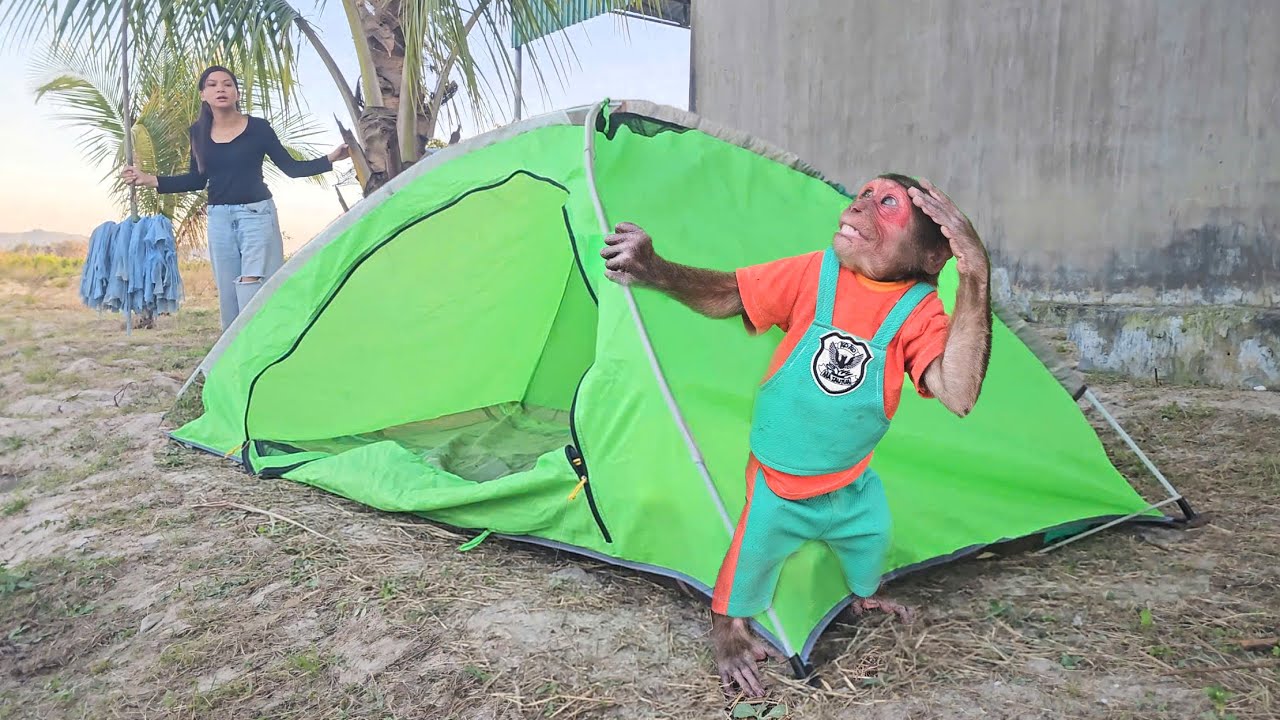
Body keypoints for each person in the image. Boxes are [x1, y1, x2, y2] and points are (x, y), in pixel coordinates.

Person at [600, 174, 992, 697]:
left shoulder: (919, 308)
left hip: (851, 481)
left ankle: (859, 594)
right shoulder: (816, 273)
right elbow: (730, 294)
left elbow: (959, 391)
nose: (860, 206)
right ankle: (729, 630)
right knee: (749, 563)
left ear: (930, 257)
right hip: (779, 479)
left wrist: (975, 276)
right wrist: (656, 270)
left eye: (887, 204)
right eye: (864, 196)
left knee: (872, 540)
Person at [121, 65, 349, 330]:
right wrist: (149, 179)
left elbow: (292, 168)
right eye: (213, 85)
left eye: (228, 84)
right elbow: (197, 179)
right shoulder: (197, 133)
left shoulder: (259, 129)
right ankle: (234, 355)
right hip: (219, 218)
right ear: (203, 94)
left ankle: (263, 345)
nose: (221, 89)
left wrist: (331, 158)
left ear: (237, 93)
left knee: (254, 286)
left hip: (256, 215)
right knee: (229, 294)